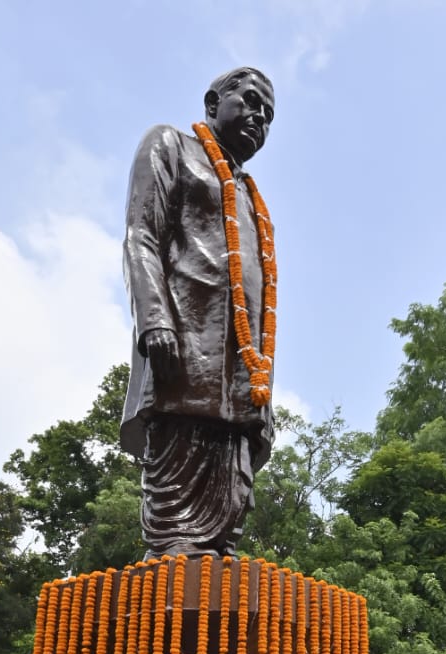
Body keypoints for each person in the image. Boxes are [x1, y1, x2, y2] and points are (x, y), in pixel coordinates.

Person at [121, 67, 277, 558]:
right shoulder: (171, 145)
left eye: (268, 116)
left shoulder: (250, 193)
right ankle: (174, 544)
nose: (258, 118)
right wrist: (155, 317)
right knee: (182, 430)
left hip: (242, 358)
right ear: (214, 102)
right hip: (185, 335)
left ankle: (217, 544)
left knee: (232, 453)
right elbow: (141, 235)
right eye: (250, 102)